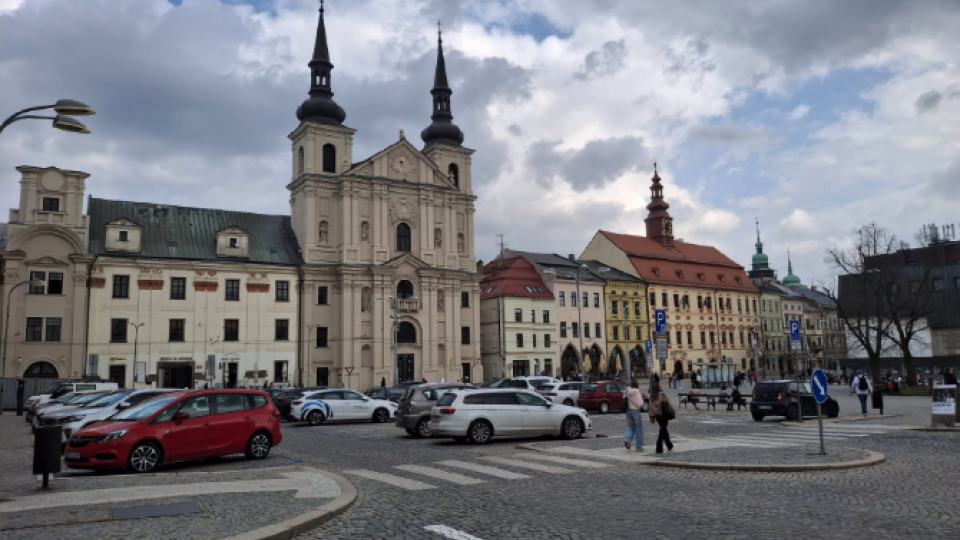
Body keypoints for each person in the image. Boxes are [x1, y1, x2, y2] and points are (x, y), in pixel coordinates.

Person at [648, 383, 674, 454]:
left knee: (663, 429)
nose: (663, 386)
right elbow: (669, 405)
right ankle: (659, 447)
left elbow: (650, 408)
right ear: (659, 388)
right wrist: (672, 411)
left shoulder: (652, 396)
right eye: (661, 385)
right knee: (662, 430)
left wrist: (652, 418)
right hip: (663, 415)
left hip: (657, 416)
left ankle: (669, 445)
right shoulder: (662, 395)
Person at [623, 378, 645, 452]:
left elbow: (623, 398)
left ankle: (627, 439)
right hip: (635, 411)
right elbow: (639, 404)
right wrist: (642, 403)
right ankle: (639, 447)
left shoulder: (627, 391)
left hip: (628, 411)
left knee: (631, 427)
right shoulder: (637, 391)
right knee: (638, 429)